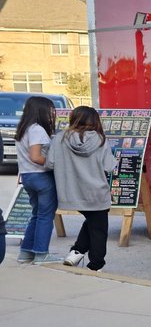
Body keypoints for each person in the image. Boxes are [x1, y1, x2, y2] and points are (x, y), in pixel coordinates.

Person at [47, 106, 117, 271]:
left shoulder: (60, 138)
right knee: (99, 228)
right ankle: (95, 264)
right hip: (96, 192)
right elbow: (109, 166)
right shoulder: (100, 140)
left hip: (71, 192)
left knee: (93, 221)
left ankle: (76, 252)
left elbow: (50, 163)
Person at [14, 96, 60, 264]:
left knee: (36, 215)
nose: (52, 113)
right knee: (45, 216)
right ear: (40, 110)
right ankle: (41, 254)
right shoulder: (37, 129)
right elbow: (35, 156)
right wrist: (55, 164)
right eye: (50, 110)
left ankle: (26, 253)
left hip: (27, 176)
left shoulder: (24, 128)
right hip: (41, 176)